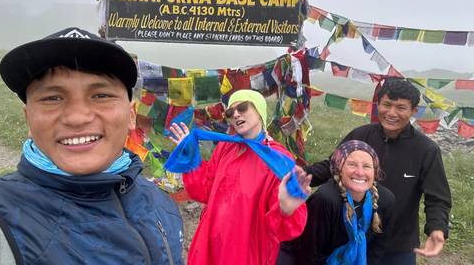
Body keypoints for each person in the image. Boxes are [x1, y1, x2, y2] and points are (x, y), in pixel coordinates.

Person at [0, 27, 184, 264]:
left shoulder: (160, 203)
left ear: (131, 115)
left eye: (101, 95)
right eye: (52, 98)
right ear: (28, 119)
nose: (77, 117)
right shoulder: (1, 216)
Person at [304, 79, 452, 264]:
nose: (391, 113)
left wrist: (437, 228)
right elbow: (331, 166)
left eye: (401, 107)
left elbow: (438, 198)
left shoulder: (425, 150)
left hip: (397, 246)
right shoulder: (361, 135)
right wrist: (301, 175)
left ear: (414, 111)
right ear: (377, 104)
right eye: (387, 105)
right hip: (349, 238)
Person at [168, 89, 312, 265]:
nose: (235, 114)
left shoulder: (277, 159)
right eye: (230, 112)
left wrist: (286, 210)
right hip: (210, 245)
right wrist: (189, 154)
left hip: (244, 252)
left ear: (259, 111)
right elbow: (205, 190)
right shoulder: (226, 147)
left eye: (242, 107)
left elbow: (283, 228)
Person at [277, 140, 395, 265]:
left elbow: (377, 251)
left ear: (375, 172)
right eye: (352, 165)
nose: (360, 172)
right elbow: (309, 254)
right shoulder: (325, 200)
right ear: (338, 169)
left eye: (367, 166)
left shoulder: (386, 200)